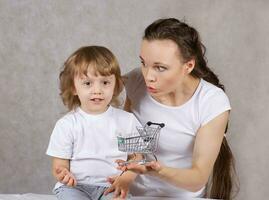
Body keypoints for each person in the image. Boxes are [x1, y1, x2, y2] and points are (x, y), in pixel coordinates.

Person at [116, 18, 238, 199]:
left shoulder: (211, 102)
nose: (149, 76)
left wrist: (155, 170)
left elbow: (198, 178)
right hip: (131, 196)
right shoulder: (136, 81)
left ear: (188, 66)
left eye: (160, 67)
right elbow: (126, 136)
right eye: (144, 63)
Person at [46, 46, 141, 200]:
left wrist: (126, 178)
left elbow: (136, 158)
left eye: (105, 82)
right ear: (74, 88)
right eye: (88, 83)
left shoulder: (127, 121)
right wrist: (63, 173)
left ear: (115, 85)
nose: (97, 90)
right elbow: (59, 163)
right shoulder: (67, 124)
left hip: (111, 186)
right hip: (75, 187)